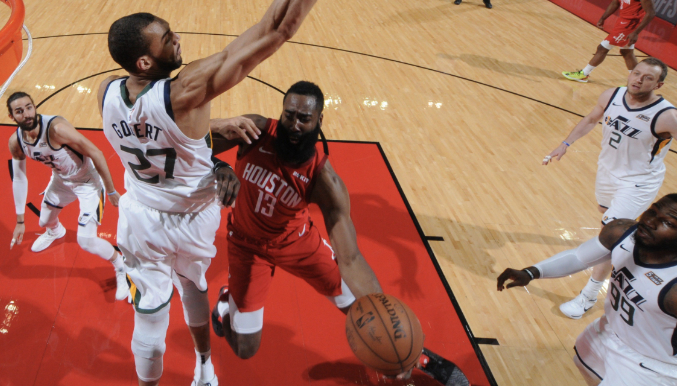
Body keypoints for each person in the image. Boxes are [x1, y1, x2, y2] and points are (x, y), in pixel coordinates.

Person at [96, 0, 380, 386]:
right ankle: (204, 366)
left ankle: (174, 371)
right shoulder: (185, 92)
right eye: (167, 40)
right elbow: (278, 27)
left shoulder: (106, 92)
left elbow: (160, 140)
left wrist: (209, 141)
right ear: (148, 65)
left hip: (136, 218)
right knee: (194, 289)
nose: (177, 40)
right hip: (189, 221)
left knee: (148, 323)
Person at [207, 83, 470, 384]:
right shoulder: (254, 131)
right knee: (244, 349)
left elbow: (351, 257)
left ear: (319, 121)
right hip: (246, 244)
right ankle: (226, 303)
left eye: (304, 118)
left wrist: (387, 326)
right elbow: (189, 142)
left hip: (297, 244)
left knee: (360, 308)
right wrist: (218, 167)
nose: (294, 125)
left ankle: (416, 356)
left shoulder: (325, 180)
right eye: (289, 114)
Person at [544, 57, 677, 319]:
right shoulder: (611, 95)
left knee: (610, 234)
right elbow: (592, 118)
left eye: (647, 77)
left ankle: (589, 295)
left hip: (638, 181)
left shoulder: (667, 116)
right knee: (604, 217)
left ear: (658, 84)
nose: (638, 79)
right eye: (636, 73)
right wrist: (565, 144)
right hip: (607, 172)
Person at [497, 195, 677, 385]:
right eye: (652, 211)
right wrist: (532, 272)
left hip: (653, 366)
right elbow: (579, 257)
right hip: (608, 331)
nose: (649, 222)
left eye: (667, 222)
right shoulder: (622, 232)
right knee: (586, 371)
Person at [6, 93, 129, 301]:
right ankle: (56, 232)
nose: (26, 114)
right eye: (19, 111)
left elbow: (96, 153)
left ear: (34, 106)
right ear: (11, 116)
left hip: (87, 183)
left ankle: (120, 266)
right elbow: (19, 178)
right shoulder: (17, 141)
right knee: (44, 221)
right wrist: (19, 220)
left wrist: (110, 191)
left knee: (87, 241)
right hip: (61, 181)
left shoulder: (56, 129)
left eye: (29, 107)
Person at [564, 0, 655, 82]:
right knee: (626, 52)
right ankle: (636, 82)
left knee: (602, 48)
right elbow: (615, 3)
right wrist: (603, 17)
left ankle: (584, 74)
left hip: (630, 25)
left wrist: (636, 32)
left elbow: (651, 13)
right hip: (622, 21)